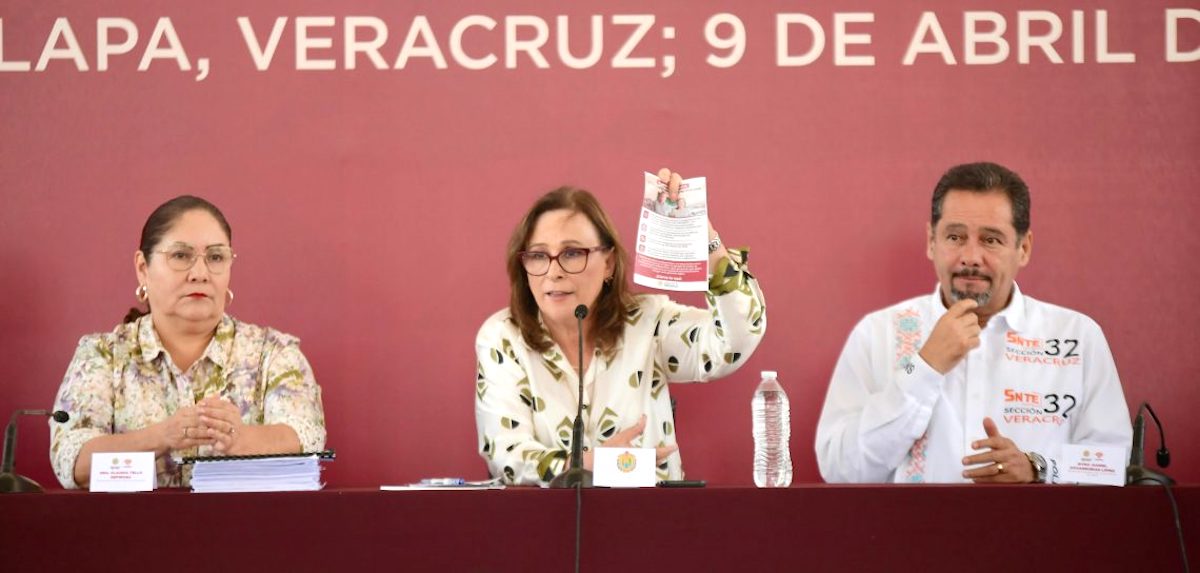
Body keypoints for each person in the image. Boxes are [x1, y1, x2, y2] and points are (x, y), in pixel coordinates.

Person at [815, 162, 1131, 484]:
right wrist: (924, 368)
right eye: (955, 237)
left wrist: (1038, 468)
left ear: (1023, 248)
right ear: (931, 241)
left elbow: (1113, 464)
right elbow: (839, 469)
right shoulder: (877, 334)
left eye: (991, 240)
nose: (970, 257)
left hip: (1032, 519)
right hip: (913, 520)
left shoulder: (1077, 337)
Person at [475, 169, 766, 485]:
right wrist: (588, 465)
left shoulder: (647, 322)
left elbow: (733, 343)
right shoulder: (503, 336)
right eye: (538, 255)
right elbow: (506, 455)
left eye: (572, 253)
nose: (553, 272)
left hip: (648, 511)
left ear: (609, 264)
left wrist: (707, 241)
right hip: (548, 516)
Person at [50, 196, 326, 489]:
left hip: (245, 520)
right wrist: (161, 437)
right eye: (181, 256)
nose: (200, 274)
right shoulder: (103, 356)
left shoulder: (273, 354)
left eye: (216, 257)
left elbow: (307, 437)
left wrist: (241, 439)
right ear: (143, 268)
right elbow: (71, 460)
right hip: (130, 520)